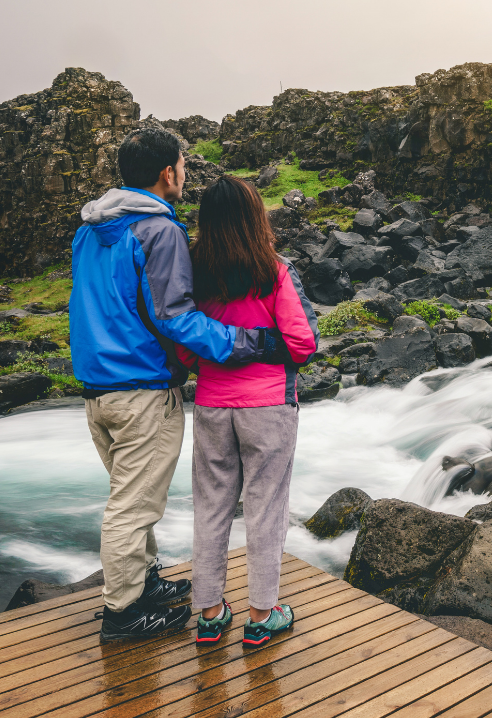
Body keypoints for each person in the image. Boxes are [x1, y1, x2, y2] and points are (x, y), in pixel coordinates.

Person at [70, 128, 283, 642]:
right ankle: (123, 613)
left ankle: (143, 582)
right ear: (168, 172)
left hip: (97, 389)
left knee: (131, 492)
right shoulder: (158, 231)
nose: (185, 172)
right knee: (133, 505)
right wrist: (249, 342)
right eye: (183, 164)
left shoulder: (90, 229)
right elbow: (176, 318)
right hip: (141, 388)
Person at [179, 176, 318, 648]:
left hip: (212, 406)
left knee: (211, 508)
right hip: (268, 406)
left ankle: (210, 614)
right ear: (256, 217)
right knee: (266, 509)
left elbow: (184, 347)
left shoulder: (193, 275)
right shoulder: (274, 270)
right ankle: (261, 616)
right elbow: (302, 343)